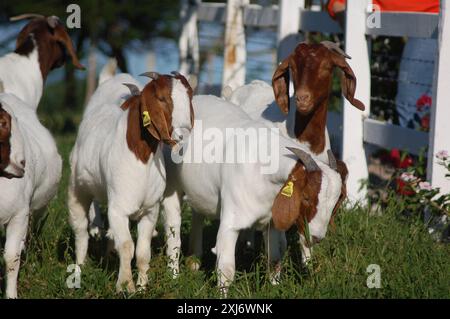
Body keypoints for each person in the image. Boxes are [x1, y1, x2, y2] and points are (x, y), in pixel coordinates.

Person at [327, 0, 439, 130]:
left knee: (411, 109)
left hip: (431, 19)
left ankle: (413, 148)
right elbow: (337, 5)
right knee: (414, 109)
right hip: (387, 20)